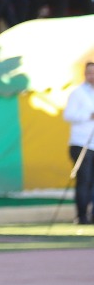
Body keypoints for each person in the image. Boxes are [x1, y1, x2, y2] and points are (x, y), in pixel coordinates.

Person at [63, 61, 94, 224]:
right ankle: (81, 216)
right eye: (89, 73)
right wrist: (88, 116)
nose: (92, 76)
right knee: (84, 180)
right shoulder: (77, 93)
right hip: (81, 143)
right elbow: (68, 115)